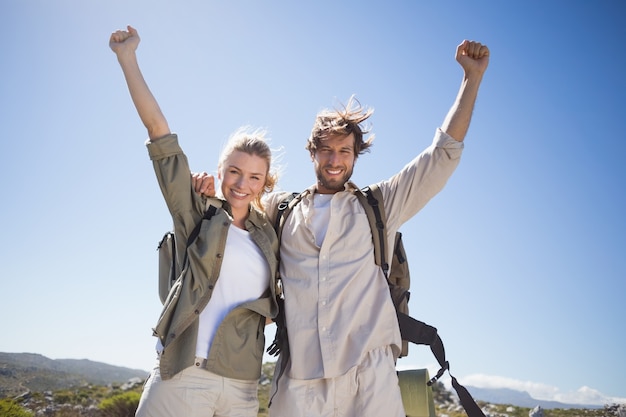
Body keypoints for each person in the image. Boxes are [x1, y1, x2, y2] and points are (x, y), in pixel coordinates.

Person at [194, 39, 490, 416]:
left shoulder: (380, 205)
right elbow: (238, 195)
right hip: (299, 379)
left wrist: (471, 79)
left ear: (355, 155)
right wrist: (203, 192)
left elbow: (442, 155)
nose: (335, 161)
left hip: (369, 377)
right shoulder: (279, 208)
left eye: (344, 151)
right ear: (312, 152)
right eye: (327, 151)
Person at [110, 25, 280, 417]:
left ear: (264, 184)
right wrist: (128, 58)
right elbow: (159, 134)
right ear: (220, 170)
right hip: (184, 376)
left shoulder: (268, 234)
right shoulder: (197, 213)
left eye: (254, 177)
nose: (242, 184)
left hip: (242, 386)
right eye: (234, 172)